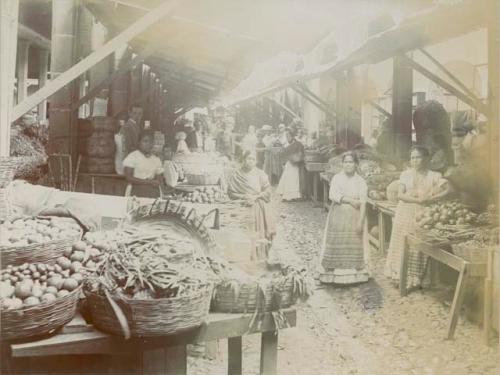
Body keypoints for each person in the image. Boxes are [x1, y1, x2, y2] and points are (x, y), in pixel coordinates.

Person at [384, 146, 452, 290]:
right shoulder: (406, 174)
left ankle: (417, 279)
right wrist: (417, 200)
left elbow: (448, 189)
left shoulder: (434, 175)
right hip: (406, 212)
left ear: (426, 159)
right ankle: (400, 276)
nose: (415, 161)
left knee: (420, 245)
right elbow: (400, 195)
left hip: (425, 214)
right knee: (403, 243)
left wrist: (433, 197)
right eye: (413, 158)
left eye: (419, 157)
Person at [319, 151, 369, 284]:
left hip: (355, 217)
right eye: (346, 162)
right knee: (337, 242)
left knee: (354, 243)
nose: (348, 165)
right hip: (338, 216)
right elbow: (332, 195)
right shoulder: (337, 178)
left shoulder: (361, 181)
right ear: (342, 164)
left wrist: (361, 221)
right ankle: (334, 274)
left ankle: (354, 275)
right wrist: (350, 200)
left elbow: (363, 202)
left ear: (356, 164)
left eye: (351, 162)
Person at [227, 150, 276, 260]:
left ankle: (261, 256)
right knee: (245, 235)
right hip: (242, 207)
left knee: (260, 233)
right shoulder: (237, 175)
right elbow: (230, 193)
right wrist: (243, 197)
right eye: (248, 159)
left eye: (253, 159)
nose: (251, 161)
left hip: (259, 207)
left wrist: (256, 197)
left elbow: (268, 191)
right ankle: (245, 258)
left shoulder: (260, 174)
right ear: (243, 160)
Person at [123, 130, 164, 198]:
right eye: (145, 141)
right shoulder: (133, 156)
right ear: (139, 143)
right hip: (136, 191)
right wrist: (149, 182)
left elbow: (160, 180)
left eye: (151, 142)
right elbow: (128, 178)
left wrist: (159, 185)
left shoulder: (156, 159)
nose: (148, 144)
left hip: (153, 192)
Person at [276, 128, 306, 201]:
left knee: (294, 180)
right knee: (287, 179)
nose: (287, 138)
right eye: (286, 136)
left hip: (295, 164)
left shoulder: (298, 144)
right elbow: (284, 153)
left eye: (289, 136)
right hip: (289, 164)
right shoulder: (287, 144)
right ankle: (287, 196)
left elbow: (301, 153)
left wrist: (296, 157)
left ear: (292, 136)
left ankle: (295, 196)